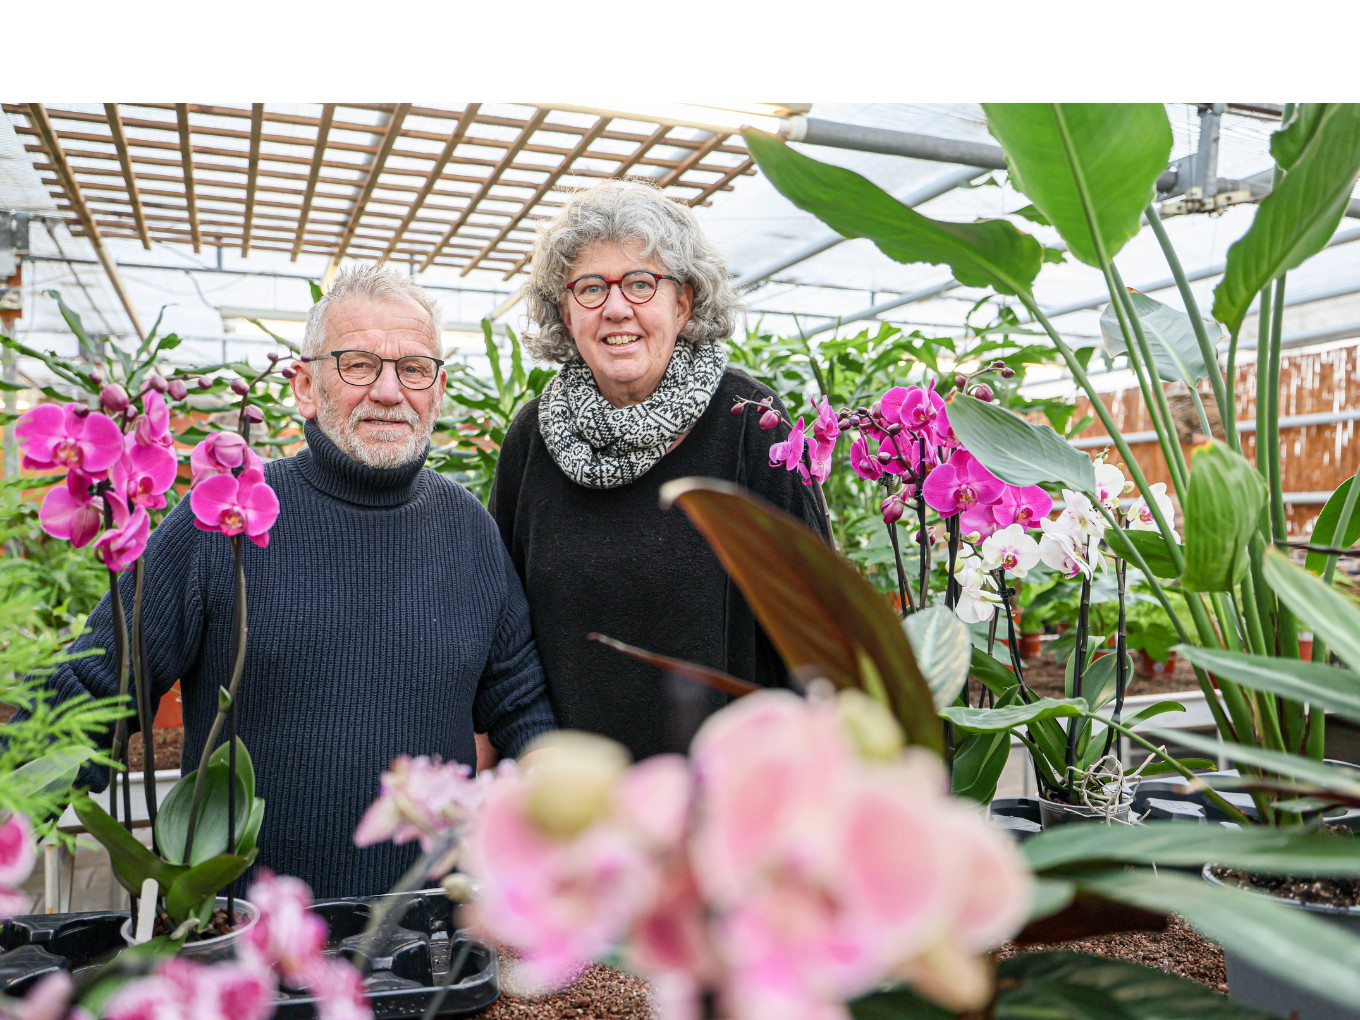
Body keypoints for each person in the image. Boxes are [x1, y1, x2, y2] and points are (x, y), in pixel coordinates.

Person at [41, 264, 557, 897]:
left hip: (419, 940)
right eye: (359, 365)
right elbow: (93, 690)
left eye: (414, 368)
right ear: (305, 387)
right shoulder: (225, 516)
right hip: (246, 940)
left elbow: (521, 706)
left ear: (438, 390)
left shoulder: (468, 532)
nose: (390, 391)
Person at [489, 179, 827, 763]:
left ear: (684, 303)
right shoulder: (532, 438)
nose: (616, 307)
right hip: (576, 792)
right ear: (566, 312)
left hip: (725, 793)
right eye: (590, 288)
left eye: (641, 283)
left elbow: (815, 618)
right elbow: (502, 626)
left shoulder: (749, 422)